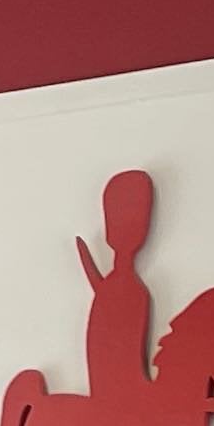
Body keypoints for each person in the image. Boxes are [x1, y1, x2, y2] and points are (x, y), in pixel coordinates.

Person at [75, 170, 158, 401]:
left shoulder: (132, 290)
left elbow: (127, 341)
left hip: (122, 371)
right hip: (107, 371)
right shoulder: (122, 286)